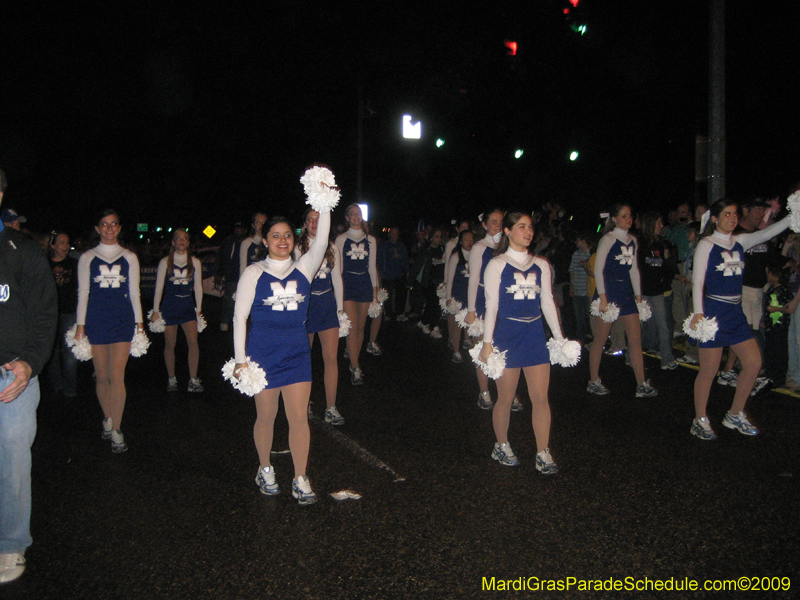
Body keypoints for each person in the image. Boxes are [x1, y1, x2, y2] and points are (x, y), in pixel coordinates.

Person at [234, 206, 333, 505]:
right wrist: (241, 360)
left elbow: (323, 236)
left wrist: (324, 200)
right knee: (266, 416)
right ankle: (265, 467)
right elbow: (240, 318)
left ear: (295, 238)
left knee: (299, 417)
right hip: (263, 354)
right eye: (275, 235)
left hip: (296, 353)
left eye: (287, 235)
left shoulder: (305, 267)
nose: (282, 240)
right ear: (265, 241)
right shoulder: (253, 272)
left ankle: (300, 477)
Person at [687, 199, 792, 440]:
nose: (732, 218)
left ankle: (734, 414)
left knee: (753, 363)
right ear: (714, 218)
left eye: (734, 214)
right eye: (726, 214)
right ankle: (699, 419)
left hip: (735, 313)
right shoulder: (707, 244)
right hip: (713, 312)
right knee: (709, 371)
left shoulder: (740, 241)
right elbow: (698, 281)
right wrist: (698, 313)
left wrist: (791, 218)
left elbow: (768, 232)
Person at [0, 169, 57, 584]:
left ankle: (10, 543)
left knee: (12, 467)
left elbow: (44, 316)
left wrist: (30, 363)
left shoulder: (24, 251)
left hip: (12, 378)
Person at [479, 211, 561, 473]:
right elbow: (491, 305)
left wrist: (558, 337)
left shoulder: (541, 264)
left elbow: (547, 302)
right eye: (521, 227)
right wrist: (487, 342)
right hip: (507, 335)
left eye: (530, 227)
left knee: (540, 397)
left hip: (534, 335)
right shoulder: (497, 264)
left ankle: (543, 452)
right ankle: (501, 444)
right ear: (508, 231)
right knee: (505, 397)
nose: (528, 232)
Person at [75, 209, 144, 453]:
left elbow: (135, 292)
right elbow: (83, 293)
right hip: (96, 320)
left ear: (119, 228)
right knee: (102, 376)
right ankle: (108, 417)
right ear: (97, 228)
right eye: (104, 224)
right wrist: (80, 326)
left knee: (118, 376)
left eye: (114, 224)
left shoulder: (129, 257)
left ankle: (117, 429)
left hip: (122, 319)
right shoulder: (88, 258)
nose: (110, 228)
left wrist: (140, 324)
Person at [587, 204, 657, 397]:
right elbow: (598, 269)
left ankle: (641, 383)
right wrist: (602, 297)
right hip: (609, 293)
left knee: (635, 340)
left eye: (630, 215)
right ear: (615, 219)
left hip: (626, 294)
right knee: (600, 340)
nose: (628, 219)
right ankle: (593, 380)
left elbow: (633, 270)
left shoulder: (632, 240)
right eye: (624, 216)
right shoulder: (608, 239)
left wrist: (639, 296)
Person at [717, 197, 774, 386]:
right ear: (746, 210)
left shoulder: (760, 235)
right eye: (758, 210)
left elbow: (770, 260)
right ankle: (751, 372)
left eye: (763, 211)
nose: (761, 215)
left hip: (758, 290)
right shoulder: (736, 236)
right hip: (741, 290)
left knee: (748, 332)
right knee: (745, 332)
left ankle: (728, 370)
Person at [296, 208, 345, 425]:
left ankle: (331, 407)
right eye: (310, 220)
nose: (315, 223)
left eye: (319, 219)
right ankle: (303, 403)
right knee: (304, 357)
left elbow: (337, 280)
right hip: (306, 306)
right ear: (305, 223)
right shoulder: (297, 248)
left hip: (326, 304)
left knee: (331, 358)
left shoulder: (332, 247)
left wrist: (340, 309)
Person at [466, 209, 511, 410]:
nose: (498, 225)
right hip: (483, 301)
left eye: (501, 222)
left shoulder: (507, 245)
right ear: (484, 225)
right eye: (493, 222)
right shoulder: (479, 247)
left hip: (504, 302)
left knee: (505, 347)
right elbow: (473, 280)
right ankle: (484, 391)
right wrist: (471, 310)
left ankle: (508, 392)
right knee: (482, 349)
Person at [151, 229, 204, 392]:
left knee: (193, 342)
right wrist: (155, 310)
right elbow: (159, 287)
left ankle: (193, 379)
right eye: (178, 238)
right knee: (170, 343)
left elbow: (198, 287)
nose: (181, 241)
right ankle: (172, 378)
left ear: (188, 242)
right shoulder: (165, 262)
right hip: (170, 305)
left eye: (185, 238)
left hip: (187, 305)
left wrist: (199, 309)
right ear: (173, 242)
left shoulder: (195, 262)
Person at [335, 204, 378, 385]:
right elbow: (338, 269)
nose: (355, 217)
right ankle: (355, 365)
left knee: (360, 327)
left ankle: (354, 354)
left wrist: (375, 294)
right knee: (351, 327)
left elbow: (372, 267)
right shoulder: (341, 239)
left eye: (358, 214)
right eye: (351, 214)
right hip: (348, 284)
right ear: (347, 218)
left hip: (364, 284)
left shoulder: (371, 240)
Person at [638, 212, 678, 370]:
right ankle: (630, 356)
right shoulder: (640, 243)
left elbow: (666, 268)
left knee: (663, 325)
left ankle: (666, 358)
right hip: (643, 291)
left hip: (657, 292)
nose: (661, 226)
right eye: (658, 223)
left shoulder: (661, 244)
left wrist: (665, 275)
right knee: (639, 325)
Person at [46, 231, 80, 398]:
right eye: (61, 243)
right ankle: (56, 384)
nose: (65, 246)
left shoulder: (74, 264)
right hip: (49, 314)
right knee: (51, 353)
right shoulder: (44, 264)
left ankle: (70, 389)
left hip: (70, 312)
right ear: (53, 245)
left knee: (69, 353)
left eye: (67, 243)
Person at [445, 229, 474, 363]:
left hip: (471, 294)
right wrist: (448, 297)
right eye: (466, 239)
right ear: (461, 241)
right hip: (458, 294)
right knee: (458, 324)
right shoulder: (456, 256)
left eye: (471, 239)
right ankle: (456, 351)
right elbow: (450, 278)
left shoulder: (475, 255)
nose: (469, 242)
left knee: (470, 320)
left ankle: (468, 341)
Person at [214, 221, 248, 331]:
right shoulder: (228, 242)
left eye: (241, 229)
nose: (239, 231)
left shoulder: (248, 242)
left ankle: (243, 323)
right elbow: (221, 258)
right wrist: (219, 274)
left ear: (245, 230)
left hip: (247, 277)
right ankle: (225, 321)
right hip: (232, 276)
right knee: (229, 300)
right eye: (237, 228)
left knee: (246, 301)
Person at [416, 227, 445, 339]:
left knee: (436, 305)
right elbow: (419, 266)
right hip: (428, 282)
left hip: (439, 282)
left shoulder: (442, 250)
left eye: (440, 237)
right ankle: (433, 326)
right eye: (436, 236)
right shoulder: (426, 250)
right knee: (432, 304)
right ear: (431, 238)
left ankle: (426, 322)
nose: (438, 239)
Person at [376, 226, 408, 320]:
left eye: (396, 234)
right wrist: (380, 273)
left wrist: (407, 271)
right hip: (387, 275)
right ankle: (388, 314)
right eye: (393, 233)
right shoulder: (383, 245)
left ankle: (400, 313)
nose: (395, 236)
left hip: (399, 275)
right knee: (387, 296)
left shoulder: (401, 246)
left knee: (400, 295)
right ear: (389, 234)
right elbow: (379, 260)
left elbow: (405, 259)